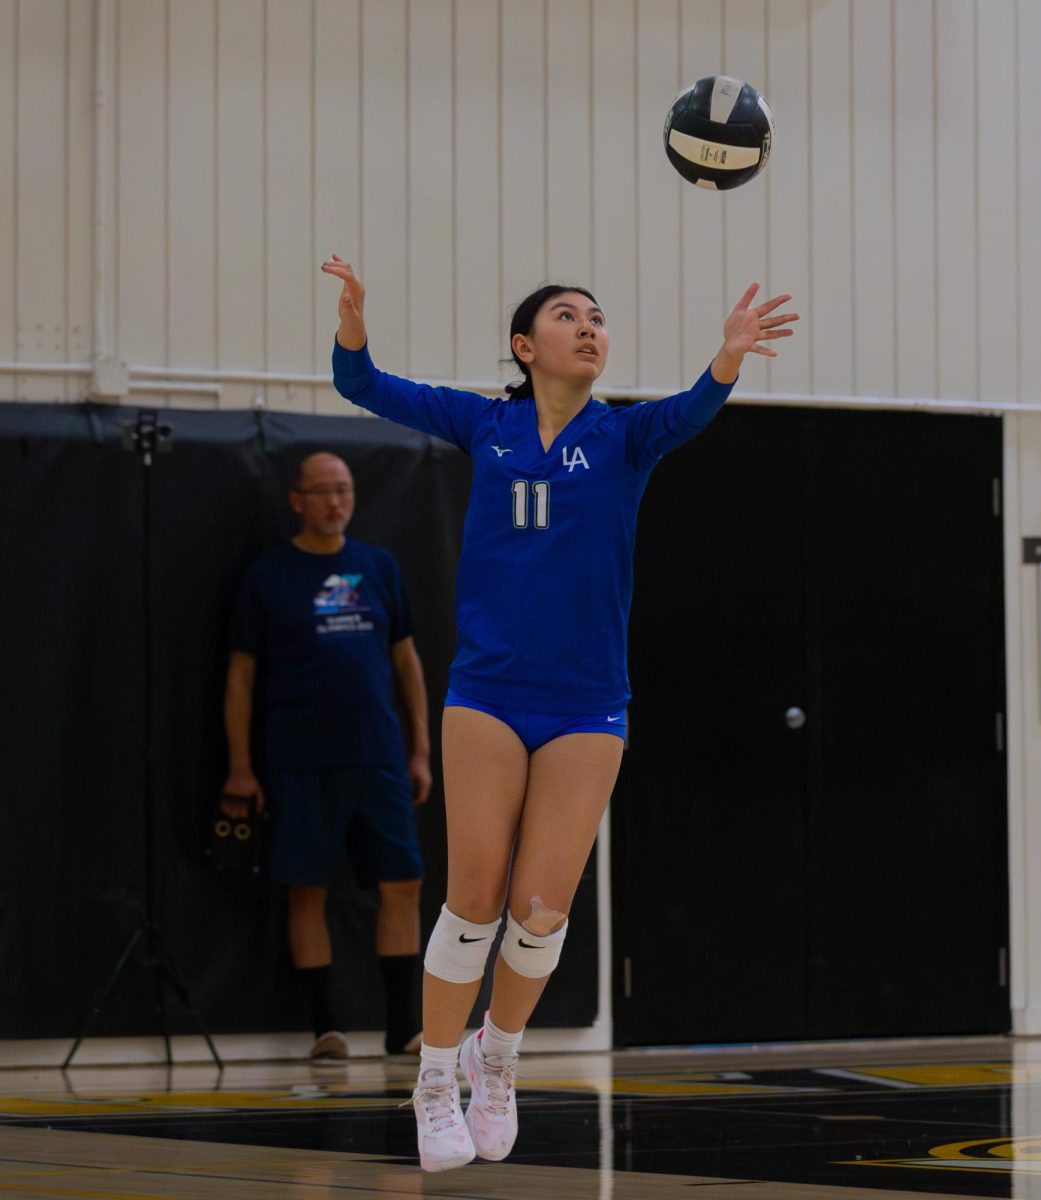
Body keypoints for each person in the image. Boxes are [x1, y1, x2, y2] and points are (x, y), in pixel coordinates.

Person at [322, 252, 797, 1171]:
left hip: (587, 702)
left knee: (541, 909)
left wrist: (728, 357)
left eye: (597, 317)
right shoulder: (483, 422)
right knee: (473, 897)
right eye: (567, 316)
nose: (588, 327)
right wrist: (353, 321)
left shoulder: (626, 438)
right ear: (524, 345)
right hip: (489, 692)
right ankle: (434, 1079)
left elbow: (693, 411)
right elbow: (362, 383)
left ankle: (497, 1058)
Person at [221, 451, 433, 1060]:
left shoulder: (378, 568)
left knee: (402, 883)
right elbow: (240, 677)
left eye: (343, 490)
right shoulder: (268, 577)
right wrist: (240, 765)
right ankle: (326, 1028)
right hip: (300, 760)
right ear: (297, 500)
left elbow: (406, 661)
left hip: (378, 757)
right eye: (321, 492)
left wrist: (419, 748)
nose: (334, 502)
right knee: (306, 889)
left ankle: (404, 1028)